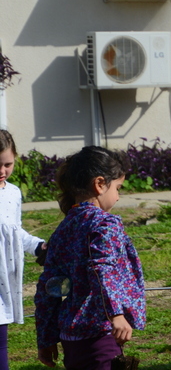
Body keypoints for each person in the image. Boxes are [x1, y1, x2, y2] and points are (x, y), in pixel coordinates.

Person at [35, 146, 146, 370]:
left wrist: (46, 339)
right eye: (118, 187)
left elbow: (49, 287)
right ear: (99, 184)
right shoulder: (105, 224)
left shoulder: (63, 229)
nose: (118, 195)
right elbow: (101, 269)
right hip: (100, 335)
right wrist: (115, 313)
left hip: (72, 339)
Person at [0, 130, 46, 370]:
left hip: (4, 283)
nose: (2, 171)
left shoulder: (13, 193)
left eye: (7, 164)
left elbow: (15, 232)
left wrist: (39, 246)